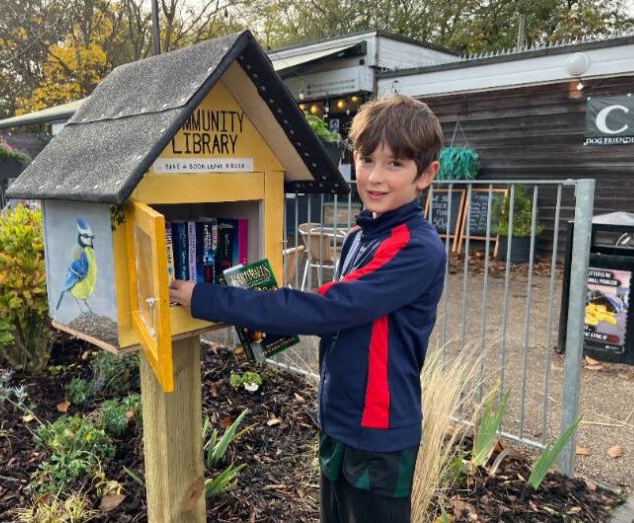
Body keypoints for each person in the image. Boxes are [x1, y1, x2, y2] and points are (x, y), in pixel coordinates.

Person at [170, 94, 446, 522]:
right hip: (338, 419)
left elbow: (328, 310)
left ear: (426, 174)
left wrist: (206, 298)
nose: (374, 177)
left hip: (378, 435)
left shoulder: (416, 249)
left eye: (395, 164)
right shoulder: (359, 235)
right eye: (367, 159)